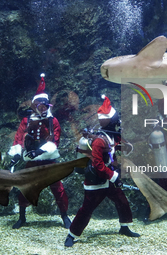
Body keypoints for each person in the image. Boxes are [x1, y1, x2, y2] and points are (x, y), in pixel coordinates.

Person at [64, 95, 140, 247]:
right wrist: (114, 177)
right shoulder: (99, 141)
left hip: (108, 180)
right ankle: (71, 235)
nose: (118, 122)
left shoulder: (111, 137)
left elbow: (121, 146)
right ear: (111, 122)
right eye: (116, 120)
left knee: (121, 201)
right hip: (97, 182)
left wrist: (124, 144)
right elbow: (98, 165)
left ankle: (124, 227)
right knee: (86, 209)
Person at [8, 74, 71, 229]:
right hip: (31, 160)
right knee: (24, 185)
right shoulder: (26, 120)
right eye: (38, 104)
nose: (41, 107)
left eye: (44, 104)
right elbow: (18, 138)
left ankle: (64, 216)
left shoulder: (52, 121)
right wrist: (16, 155)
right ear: (34, 105)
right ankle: (22, 217)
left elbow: (54, 141)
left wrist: (40, 152)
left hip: (49, 160)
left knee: (57, 188)